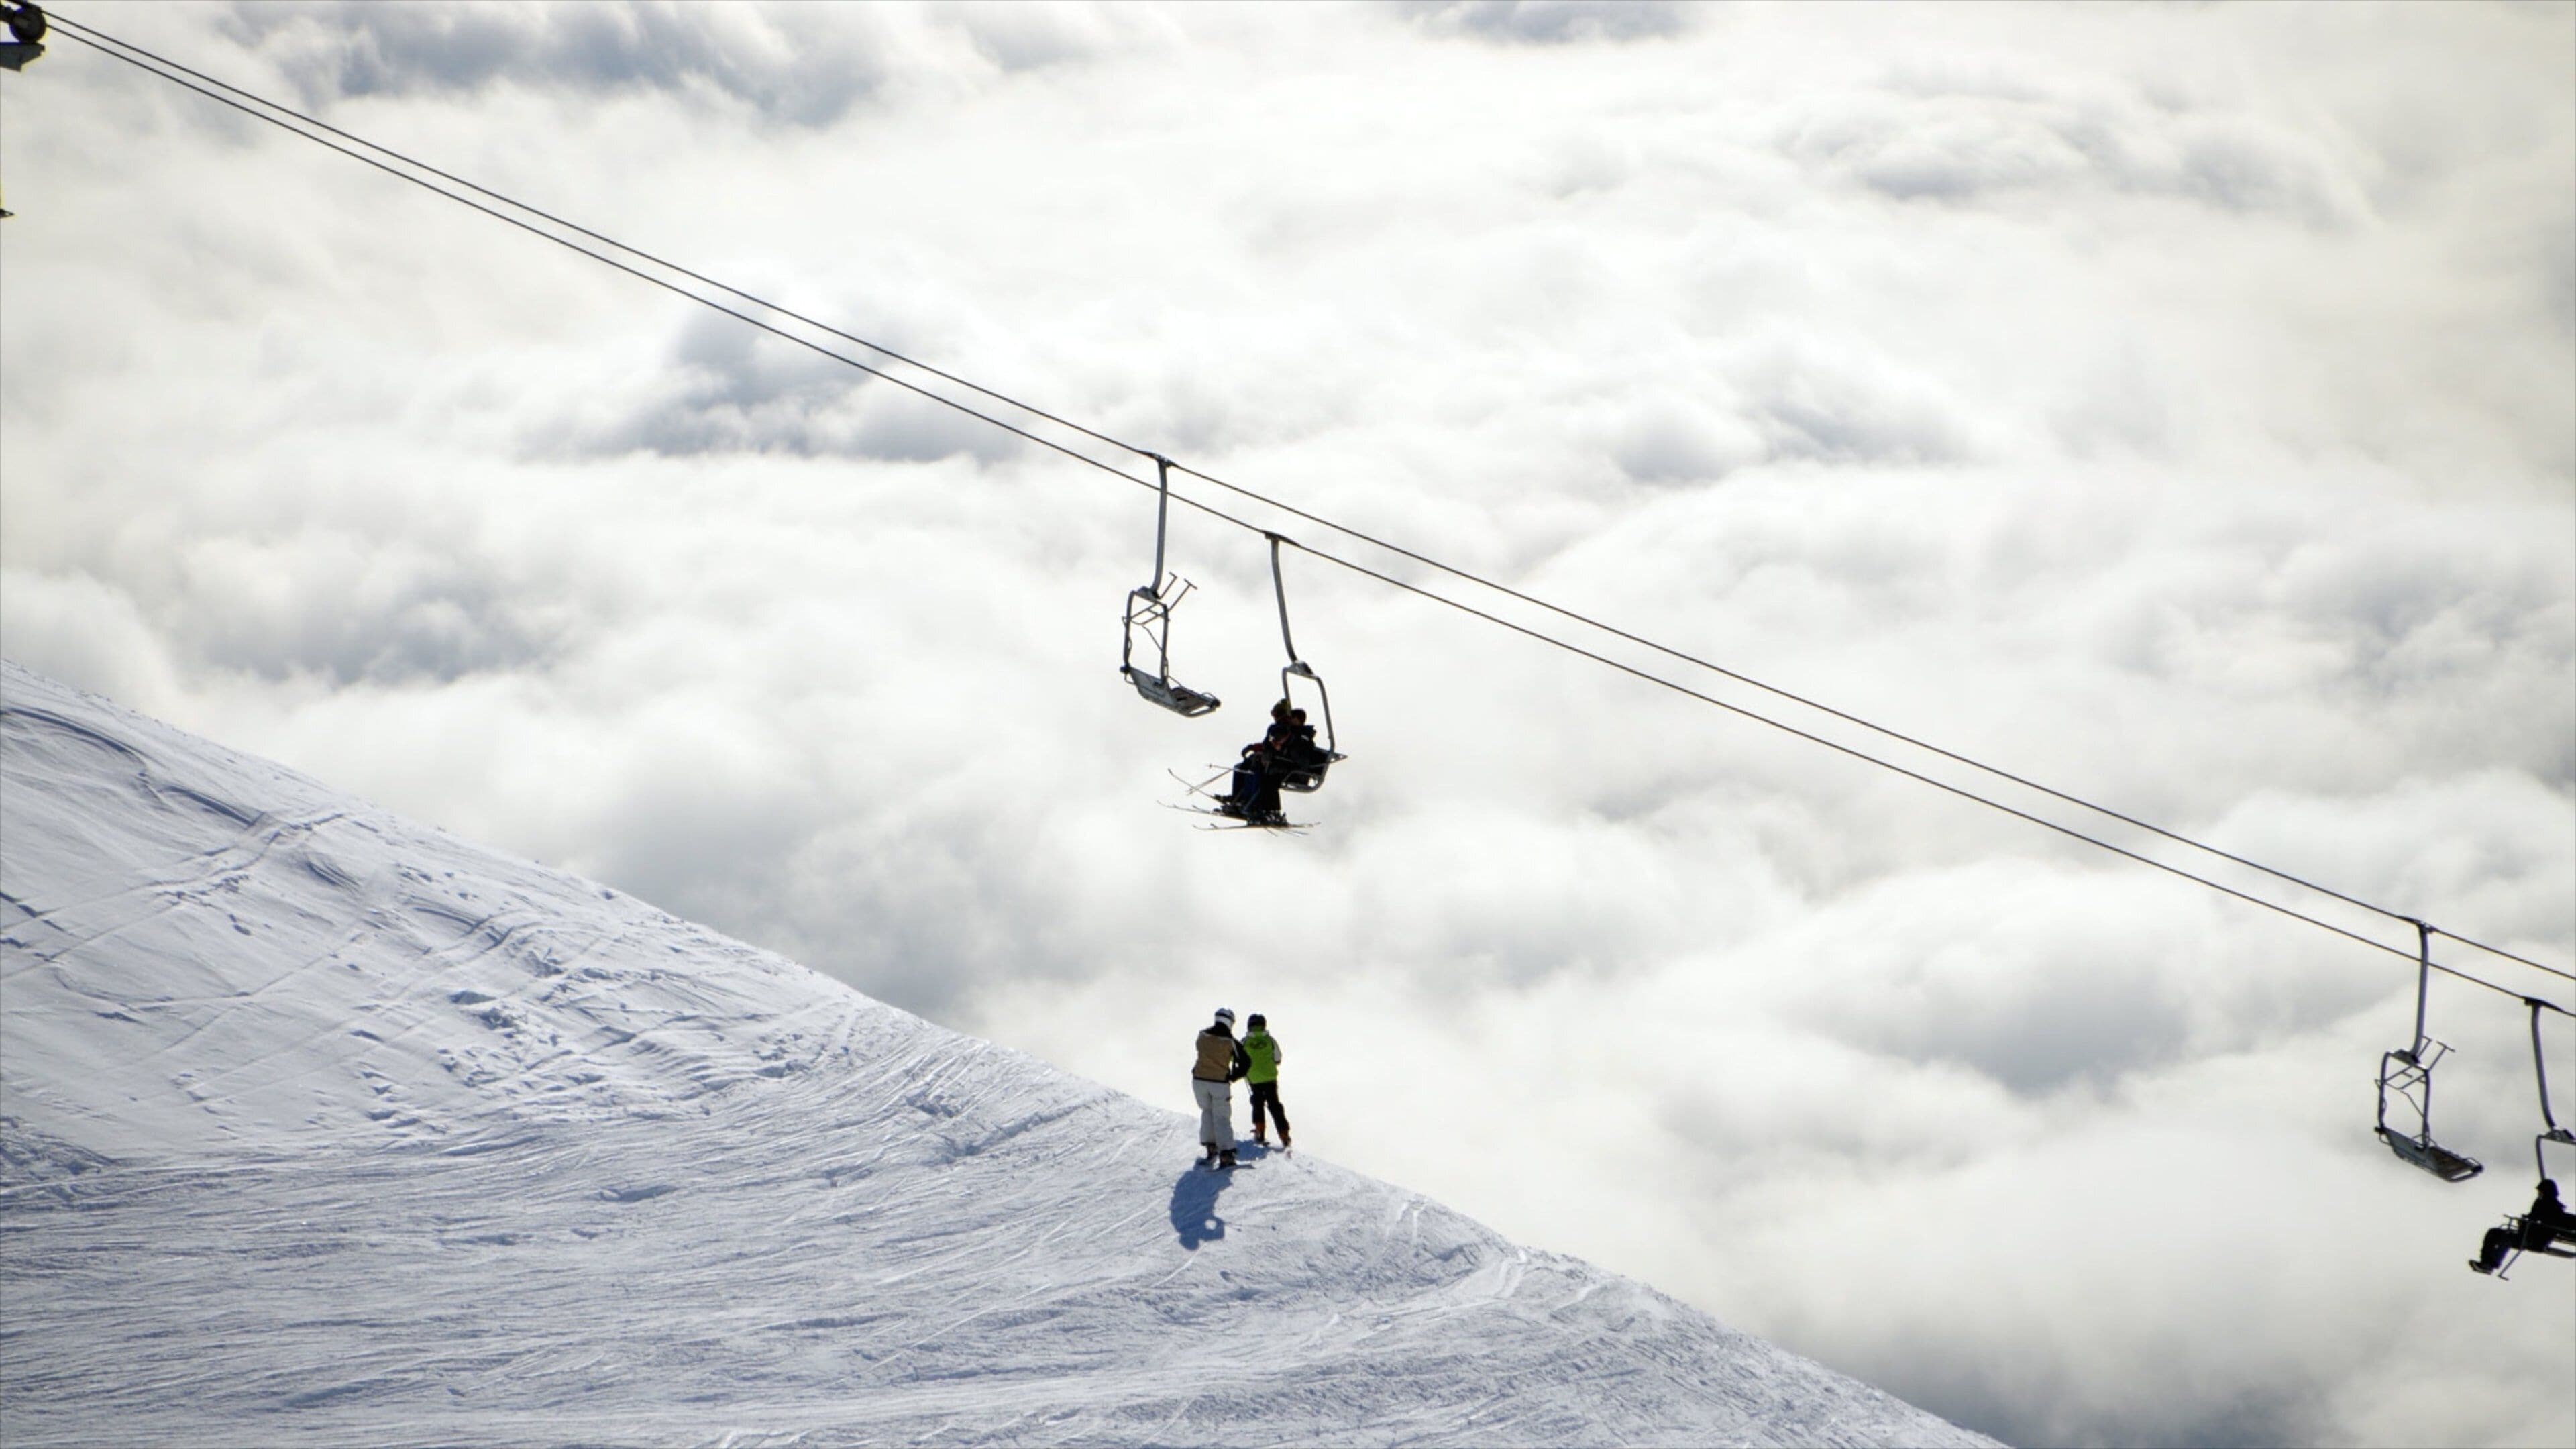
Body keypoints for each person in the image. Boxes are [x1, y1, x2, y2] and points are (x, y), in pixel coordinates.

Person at [2470, 1178, 2576, 1275]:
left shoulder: (2554, 1209)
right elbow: (2533, 1217)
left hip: (2535, 1240)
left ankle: (2490, 1265)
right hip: (2526, 1234)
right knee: (2494, 1232)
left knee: (2506, 1239)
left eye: (2541, 1192)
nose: (2539, 1194)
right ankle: (2485, 1261)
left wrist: (2527, 1223)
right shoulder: (2540, 1203)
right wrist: (2524, 1220)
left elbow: (2545, 1225)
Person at [1191, 1008, 1249, 1169]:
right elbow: (1246, 1062)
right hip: (1219, 1083)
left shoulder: (1202, 1035)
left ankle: (1211, 1149)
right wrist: (1233, 1076)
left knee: (1207, 1112)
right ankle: (1226, 1154)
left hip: (1199, 1081)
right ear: (1230, 1022)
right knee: (1221, 1118)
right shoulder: (1230, 1041)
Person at [1243, 1012, 1291, 1150]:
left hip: (1254, 1079)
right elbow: (1278, 1058)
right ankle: (1284, 1136)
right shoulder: (1270, 1040)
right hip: (1270, 1078)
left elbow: (1238, 1059)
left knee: (1257, 1103)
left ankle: (1260, 1132)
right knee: (1275, 1106)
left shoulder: (1245, 1042)